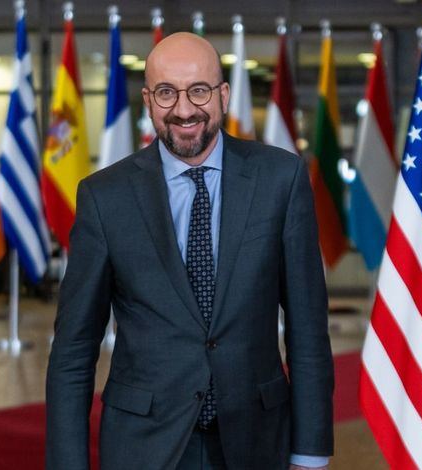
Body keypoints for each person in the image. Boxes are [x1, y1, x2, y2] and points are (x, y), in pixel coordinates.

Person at [46, 32, 334, 470]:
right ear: (147, 99)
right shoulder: (105, 197)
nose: (183, 110)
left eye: (198, 90)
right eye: (166, 93)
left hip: (256, 441)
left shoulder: (281, 178)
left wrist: (309, 452)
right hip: (144, 446)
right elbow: (74, 348)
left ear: (222, 95)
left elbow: (307, 327)